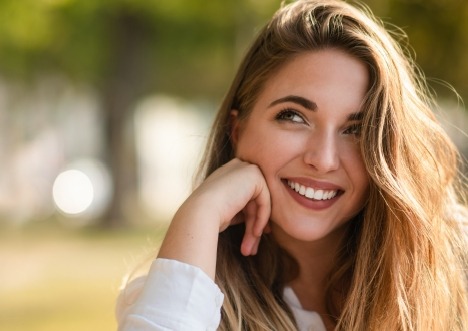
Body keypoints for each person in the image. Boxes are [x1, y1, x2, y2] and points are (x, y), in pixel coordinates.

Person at [116, 0, 468, 330]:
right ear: (237, 131)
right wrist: (200, 212)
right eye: (293, 117)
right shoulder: (179, 294)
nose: (323, 159)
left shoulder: (452, 269)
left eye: (356, 129)